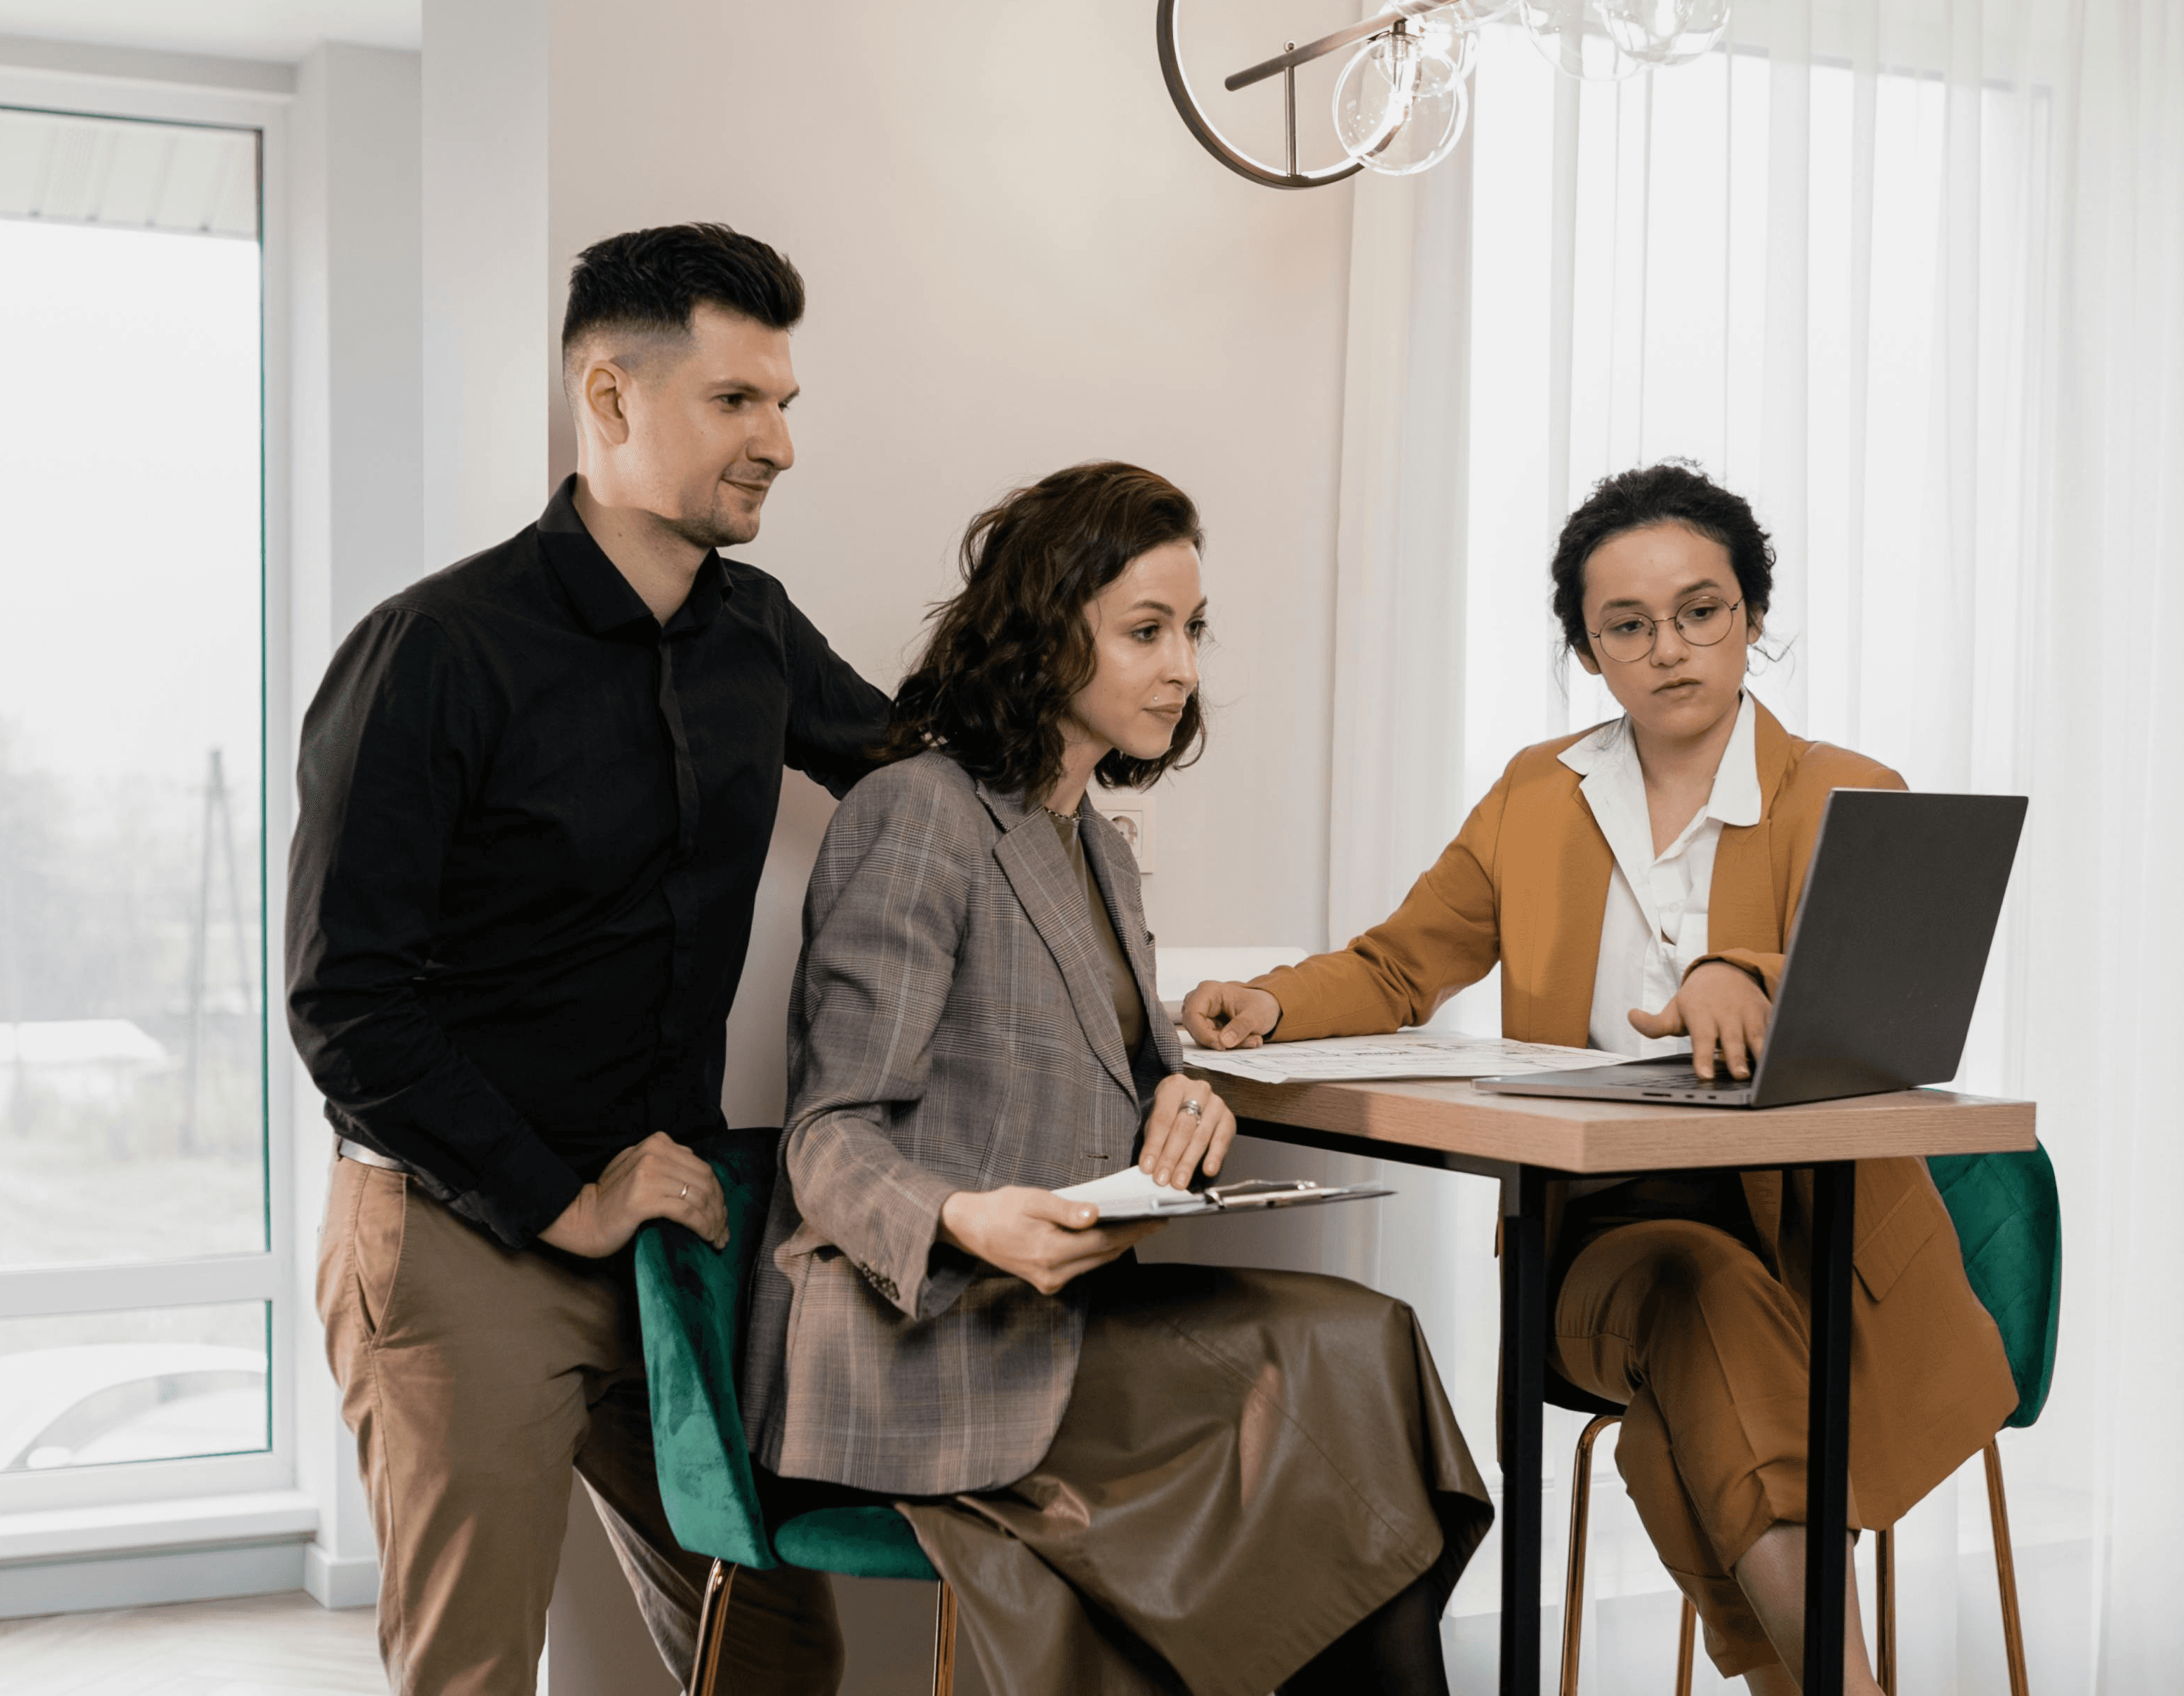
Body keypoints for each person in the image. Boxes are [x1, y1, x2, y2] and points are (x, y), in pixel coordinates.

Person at [1184, 462, 2018, 1696]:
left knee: (1713, 1323)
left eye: (1702, 611)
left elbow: (1889, 999)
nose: (1669, 650)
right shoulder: (1539, 792)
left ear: (1752, 616)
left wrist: (1740, 973)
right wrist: (1270, 1002)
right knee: (1689, 1289)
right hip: (1595, 1251)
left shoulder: (1850, 789)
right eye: (1626, 626)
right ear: (1586, 648)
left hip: (1815, 1260)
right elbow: (1405, 963)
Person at [740, 463, 1493, 1696]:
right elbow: (828, 1133)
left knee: (1369, 1345)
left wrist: (1186, 1091)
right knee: (1323, 1394)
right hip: (922, 1331)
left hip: (1057, 1314)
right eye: (1145, 632)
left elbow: (1111, 1057)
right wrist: (963, 1218)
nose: (1182, 666)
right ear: (1047, 633)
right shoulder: (917, 813)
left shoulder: (1094, 841)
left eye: (1191, 630)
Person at [288, 223, 889, 1696]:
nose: (780, 444)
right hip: (462, 1228)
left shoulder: (756, 630)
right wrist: (564, 1199)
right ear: (610, 401)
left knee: (772, 1647)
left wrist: (1112, 676)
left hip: (670, 1234)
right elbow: (345, 1003)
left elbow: (919, 770)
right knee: (474, 1670)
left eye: (786, 403)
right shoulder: (436, 646)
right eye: (737, 403)